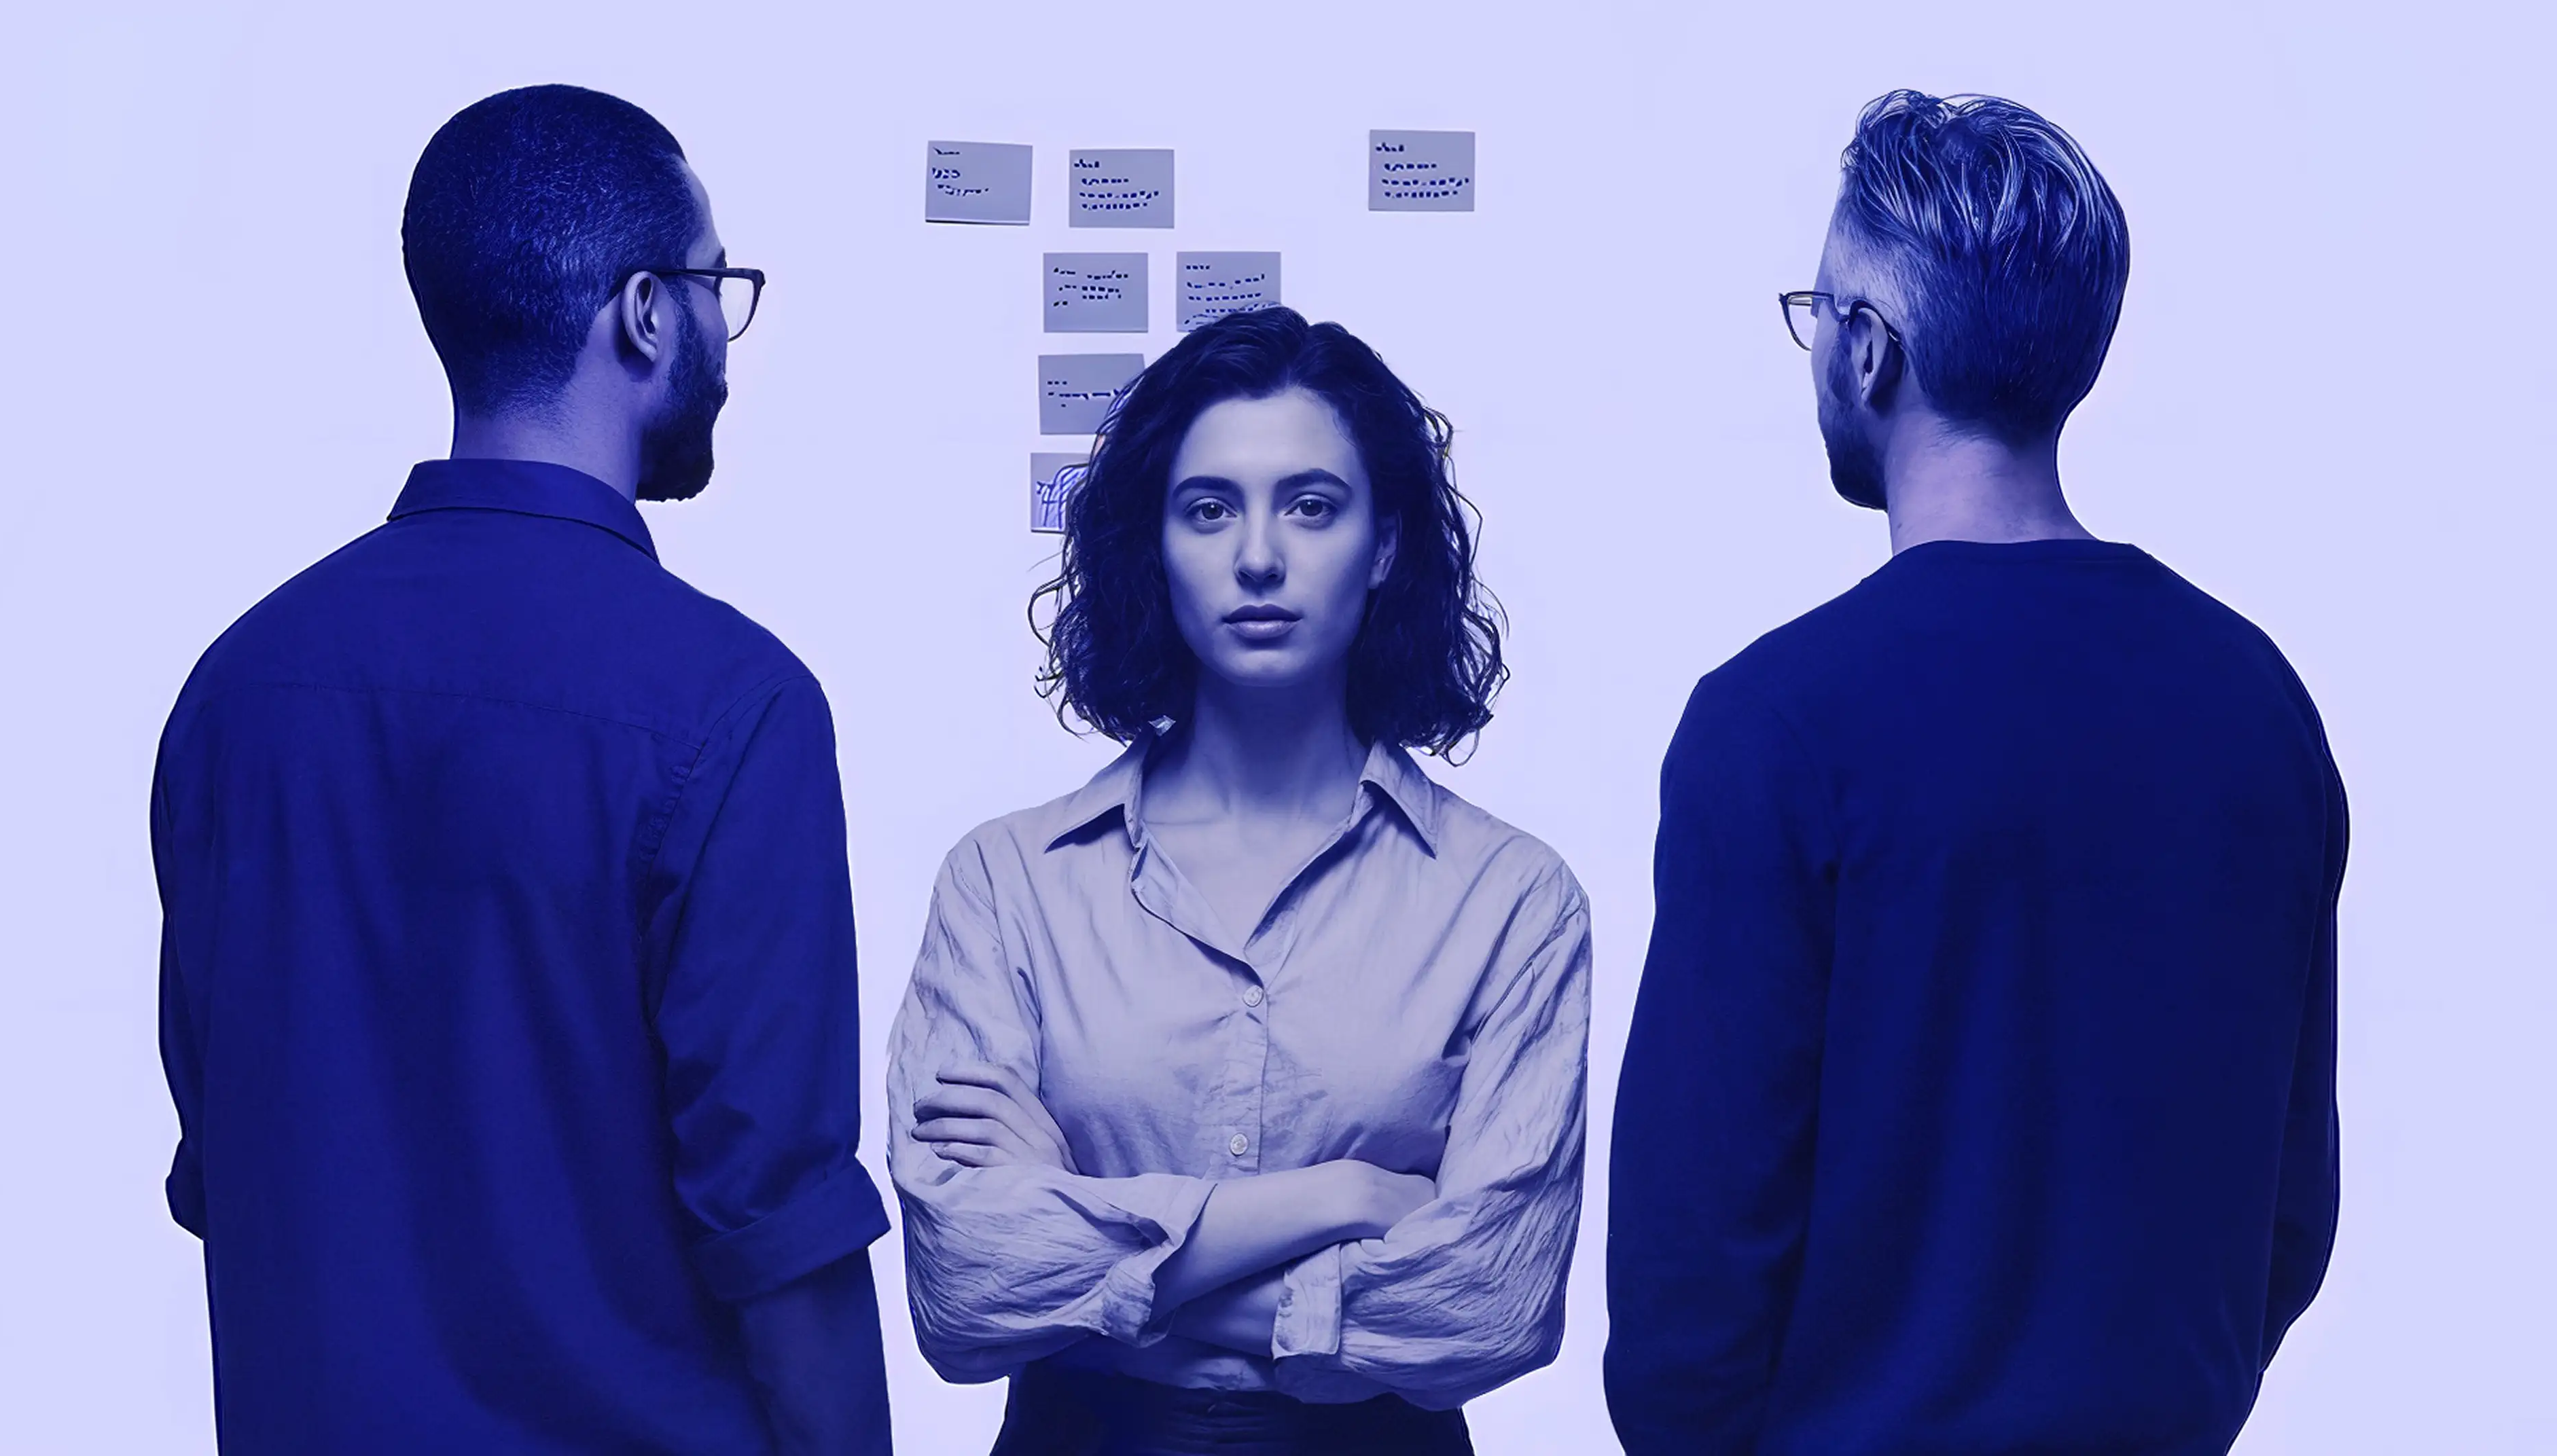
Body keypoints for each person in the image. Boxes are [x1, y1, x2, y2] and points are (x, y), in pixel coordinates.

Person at [150, 85, 892, 1454]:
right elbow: (782, 1236)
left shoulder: (234, 693)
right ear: (647, 314)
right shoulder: (734, 706)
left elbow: (234, 1167)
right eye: (716, 288)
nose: (726, 335)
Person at [1602, 90, 2346, 1455]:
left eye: (1818, 314)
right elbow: (2288, 1215)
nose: (1815, 346)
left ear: (1871, 354)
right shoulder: (2257, 701)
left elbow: (1689, 1269)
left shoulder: (1778, 722)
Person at [887, 308, 1591, 1455]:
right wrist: (1344, 1202)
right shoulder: (1006, 882)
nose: (1257, 555)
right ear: (1152, 548)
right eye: (1208, 509)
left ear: (1386, 545)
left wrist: (1092, 1257)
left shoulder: (1511, 897)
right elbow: (966, 1294)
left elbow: (1492, 1308)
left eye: (1311, 506)